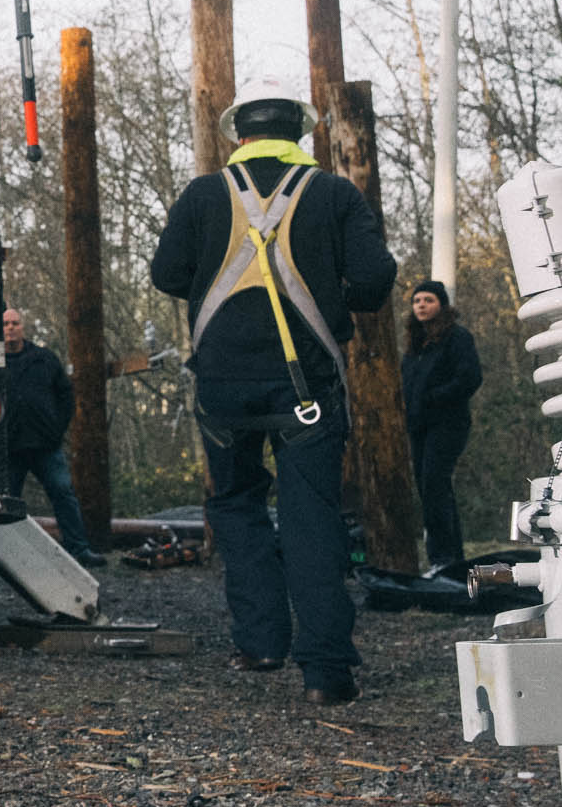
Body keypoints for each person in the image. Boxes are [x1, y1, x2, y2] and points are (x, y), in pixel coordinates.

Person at [150, 75, 398, 706]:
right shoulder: (334, 194)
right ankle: (326, 673)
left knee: (236, 505)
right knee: (312, 515)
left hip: (224, 387)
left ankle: (261, 644)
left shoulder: (205, 195)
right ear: (303, 133)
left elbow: (167, 273)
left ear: (239, 135)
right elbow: (373, 282)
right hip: (305, 385)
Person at [1, 308, 100, 566]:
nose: (10, 328)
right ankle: (8, 556)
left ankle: (79, 549)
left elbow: (66, 396)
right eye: (6, 324)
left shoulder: (44, 359)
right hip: (10, 447)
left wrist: (56, 429)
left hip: (45, 445)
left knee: (63, 494)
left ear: (23, 326)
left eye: (15, 323)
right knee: (5, 503)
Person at [399, 279, 482, 576]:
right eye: (417, 300)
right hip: (418, 426)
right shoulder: (414, 344)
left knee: (434, 484)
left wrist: (435, 398)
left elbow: (470, 377)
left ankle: (442, 559)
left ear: (441, 305)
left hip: (448, 424)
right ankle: (452, 560)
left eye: (428, 300)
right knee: (429, 488)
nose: (421, 305)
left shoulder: (457, 338)